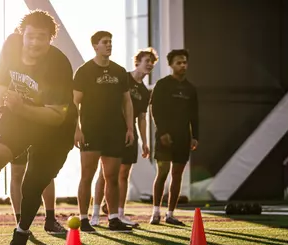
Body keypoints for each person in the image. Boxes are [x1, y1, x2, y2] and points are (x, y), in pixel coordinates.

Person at [0, 10, 73, 244]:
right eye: (30, 36)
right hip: (21, 115)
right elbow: (3, 65)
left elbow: (55, 116)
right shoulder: (11, 44)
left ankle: (22, 232)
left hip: (53, 128)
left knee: (32, 185)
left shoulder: (59, 65)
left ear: (50, 39)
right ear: (21, 34)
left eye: (41, 37)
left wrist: (21, 108)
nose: (35, 42)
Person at [0, 48, 65, 234]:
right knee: (17, 174)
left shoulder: (47, 68)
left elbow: (56, 103)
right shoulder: (10, 67)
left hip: (40, 127)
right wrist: (4, 127)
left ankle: (50, 218)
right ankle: (20, 223)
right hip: (16, 129)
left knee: (46, 174)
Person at [74, 31, 135, 232]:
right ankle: (83, 218)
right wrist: (76, 129)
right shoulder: (84, 71)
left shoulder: (119, 71)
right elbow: (74, 103)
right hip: (91, 131)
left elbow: (127, 101)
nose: (109, 45)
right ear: (95, 46)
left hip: (115, 132)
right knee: (87, 175)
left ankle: (114, 218)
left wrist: (129, 128)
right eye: (105, 42)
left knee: (112, 176)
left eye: (111, 42)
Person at [91, 47, 158, 227]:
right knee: (104, 174)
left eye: (152, 62)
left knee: (123, 175)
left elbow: (142, 118)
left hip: (130, 134)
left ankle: (119, 214)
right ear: (137, 62)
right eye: (147, 61)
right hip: (111, 130)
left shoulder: (145, 92)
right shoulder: (123, 77)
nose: (150, 64)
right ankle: (95, 214)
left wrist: (145, 141)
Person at [149, 49, 198, 225]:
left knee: (177, 175)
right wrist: (162, 132)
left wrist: (195, 136)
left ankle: (170, 214)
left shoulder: (191, 89)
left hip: (183, 138)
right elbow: (155, 111)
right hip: (164, 138)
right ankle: (155, 213)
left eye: (185, 62)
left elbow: (195, 115)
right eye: (179, 62)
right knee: (162, 173)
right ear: (171, 65)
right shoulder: (162, 85)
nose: (182, 65)